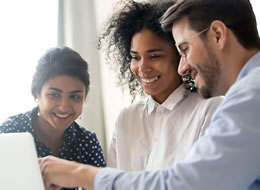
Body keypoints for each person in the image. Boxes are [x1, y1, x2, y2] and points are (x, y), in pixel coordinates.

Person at [39, 0, 260, 190]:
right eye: (135, 57)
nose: (183, 68)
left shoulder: (249, 96)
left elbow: (184, 185)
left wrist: (77, 173)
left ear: (218, 35)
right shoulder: (128, 117)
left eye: (184, 49)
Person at [98, 0, 223, 171]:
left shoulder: (209, 109)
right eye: (135, 57)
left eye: (155, 56)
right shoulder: (127, 118)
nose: (142, 68)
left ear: (181, 56)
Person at [0, 47, 106, 190]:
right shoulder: (10, 132)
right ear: (37, 93)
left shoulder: (87, 142)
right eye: (54, 95)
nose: (64, 107)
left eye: (75, 97)